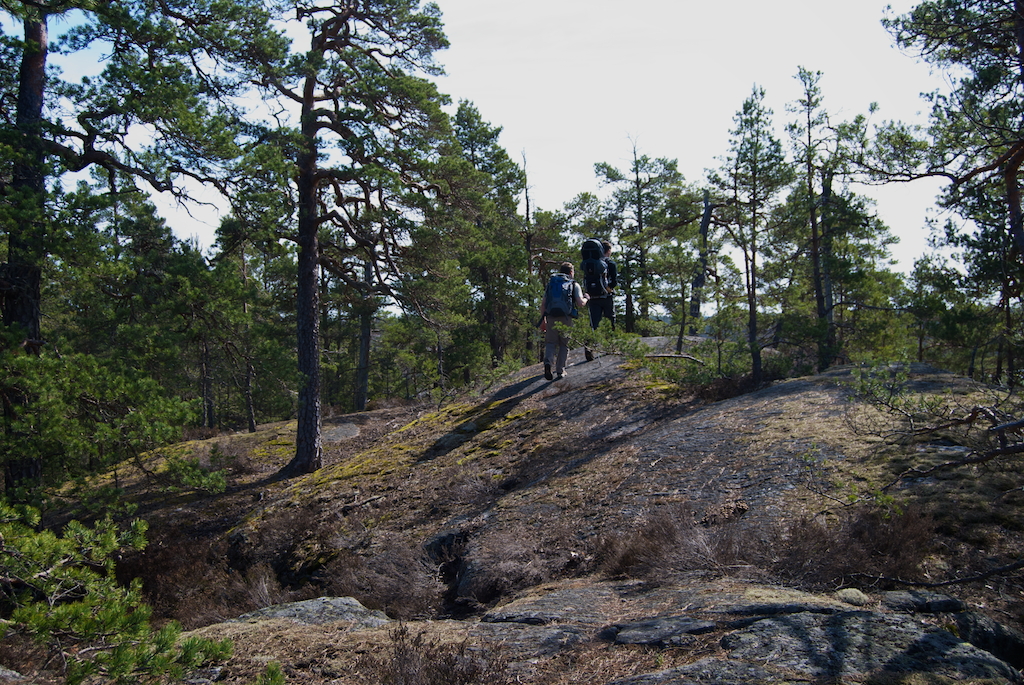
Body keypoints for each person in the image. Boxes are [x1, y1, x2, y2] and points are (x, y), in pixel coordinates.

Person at [539, 262, 589, 380]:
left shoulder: (551, 283)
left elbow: (543, 304)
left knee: (551, 342)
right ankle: (560, 370)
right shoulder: (573, 284)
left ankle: (548, 363)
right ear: (571, 272)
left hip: (551, 316)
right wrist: (586, 298)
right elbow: (580, 303)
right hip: (566, 317)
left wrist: (543, 320)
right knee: (563, 344)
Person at [585, 240, 617, 362]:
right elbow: (614, 282)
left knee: (593, 324)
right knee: (610, 320)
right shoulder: (610, 263)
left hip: (592, 298)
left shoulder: (589, 263)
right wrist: (608, 289)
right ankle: (610, 346)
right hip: (606, 297)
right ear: (608, 251)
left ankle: (589, 347)